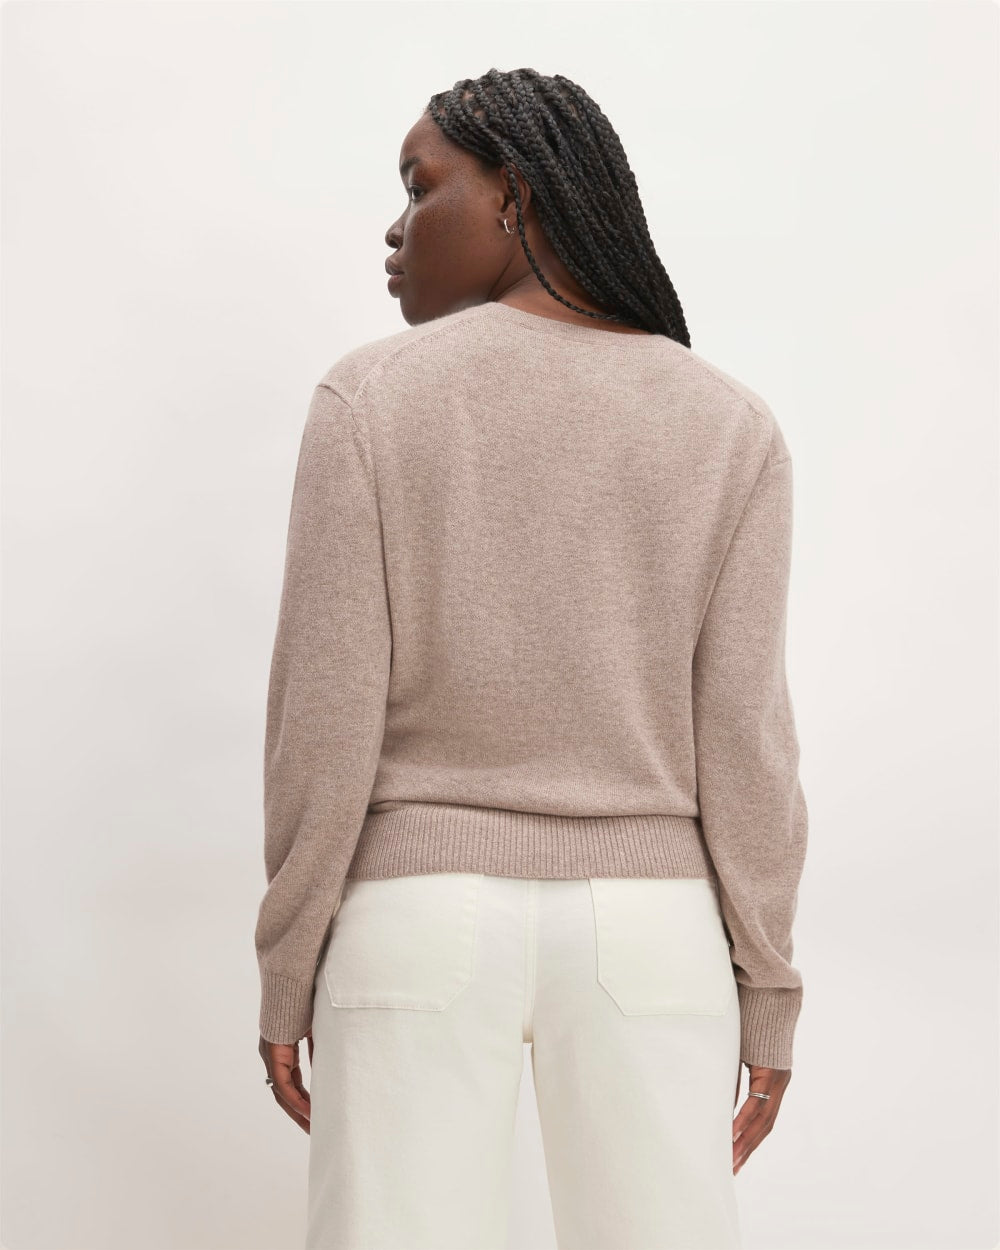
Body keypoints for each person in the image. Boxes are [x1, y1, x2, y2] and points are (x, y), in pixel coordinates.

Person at [254, 66, 808, 1250]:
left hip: (415, 916)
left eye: (421, 187)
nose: (396, 227)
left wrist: (288, 960)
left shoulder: (369, 398)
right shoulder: (728, 424)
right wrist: (766, 983)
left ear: (513, 195)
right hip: (653, 934)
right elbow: (746, 740)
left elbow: (326, 713)